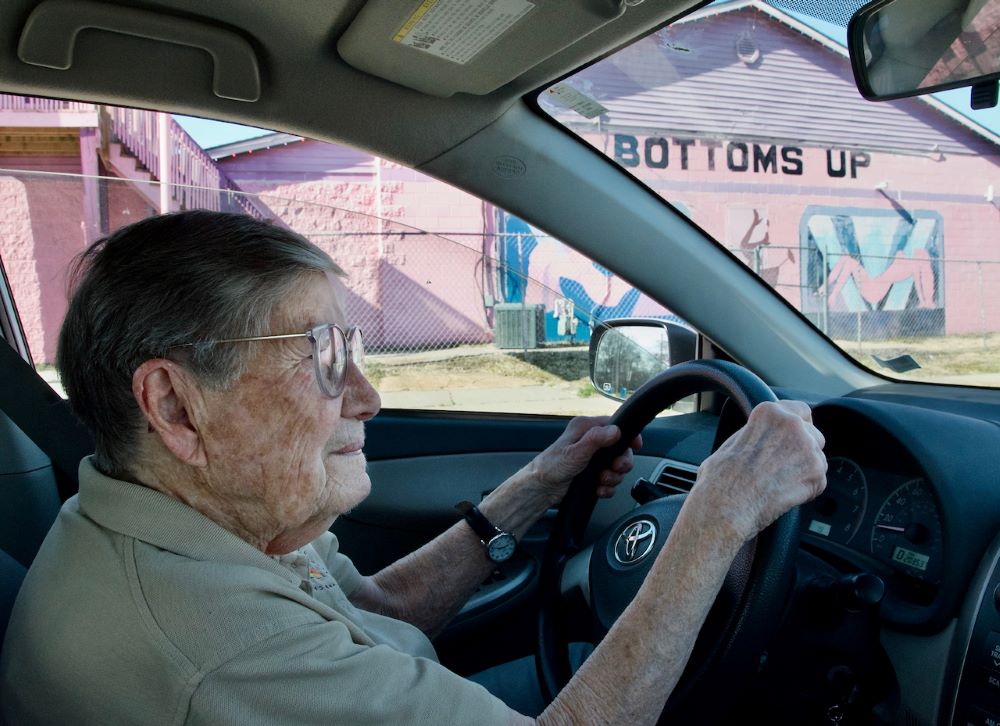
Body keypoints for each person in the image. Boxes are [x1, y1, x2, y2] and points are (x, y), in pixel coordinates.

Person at [0, 211, 826, 724]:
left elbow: (372, 609)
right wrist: (717, 518)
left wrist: (539, 484)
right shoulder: (218, 649)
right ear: (176, 407)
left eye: (352, 349)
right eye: (323, 357)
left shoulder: (197, 520)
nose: (367, 396)